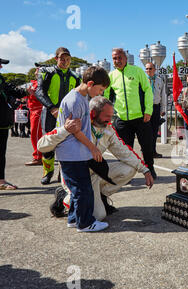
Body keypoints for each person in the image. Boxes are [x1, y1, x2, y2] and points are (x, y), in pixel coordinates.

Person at [38, 96, 154, 220]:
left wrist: (145, 170)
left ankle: (100, 197)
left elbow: (124, 152)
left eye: (111, 116)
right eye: (107, 116)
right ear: (93, 113)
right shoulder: (77, 124)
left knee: (129, 169)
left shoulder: (108, 129)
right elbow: (41, 145)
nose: (110, 120)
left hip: (95, 174)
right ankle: (64, 197)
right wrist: (65, 130)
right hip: (75, 177)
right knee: (99, 216)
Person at [53, 65, 109, 232]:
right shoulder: (76, 100)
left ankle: (73, 219)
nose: (99, 94)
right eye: (99, 90)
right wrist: (93, 147)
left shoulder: (81, 97)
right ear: (90, 83)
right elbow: (75, 131)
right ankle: (85, 223)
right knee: (83, 190)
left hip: (75, 153)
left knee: (79, 189)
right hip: (72, 154)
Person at [104, 48, 157, 179]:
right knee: (126, 150)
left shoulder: (137, 71)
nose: (117, 61)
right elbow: (106, 98)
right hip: (122, 119)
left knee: (147, 147)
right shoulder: (111, 76)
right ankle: (127, 174)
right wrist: (108, 117)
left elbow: (148, 91)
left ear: (126, 58)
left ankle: (150, 168)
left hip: (141, 118)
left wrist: (148, 111)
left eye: (119, 58)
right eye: (114, 59)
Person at [35, 47, 81, 185]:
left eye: (68, 59)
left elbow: (78, 96)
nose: (65, 62)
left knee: (66, 144)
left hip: (67, 116)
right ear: (56, 59)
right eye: (62, 59)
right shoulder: (46, 72)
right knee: (49, 144)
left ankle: (63, 174)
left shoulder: (75, 76)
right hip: (50, 113)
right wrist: (52, 108)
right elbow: (39, 91)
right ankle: (47, 172)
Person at [0, 58, 27, 190]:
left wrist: (28, 91)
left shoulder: (1, 80)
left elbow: (12, 90)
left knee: (1, 152)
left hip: (3, 122)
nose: (1, 67)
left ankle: (1, 180)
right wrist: (10, 100)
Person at [145, 62, 167, 158]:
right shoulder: (143, 80)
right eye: (147, 69)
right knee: (145, 131)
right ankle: (146, 151)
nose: (148, 71)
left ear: (155, 69)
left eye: (150, 68)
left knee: (154, 131)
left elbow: (163, 95)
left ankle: (153, 151)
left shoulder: (159, 80)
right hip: (146, 108)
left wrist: (162, 108)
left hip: (156, 107)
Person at [25, 68, 44, 166]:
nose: (37, 73)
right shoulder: (35, 83)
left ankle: (38, 157)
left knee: (36, 134)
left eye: (39, 71)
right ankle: (39, 155)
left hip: (38, 110)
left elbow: (44, 96)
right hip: (32, 110)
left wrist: (32, 93)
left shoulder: (42, 84)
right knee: (35, 133)